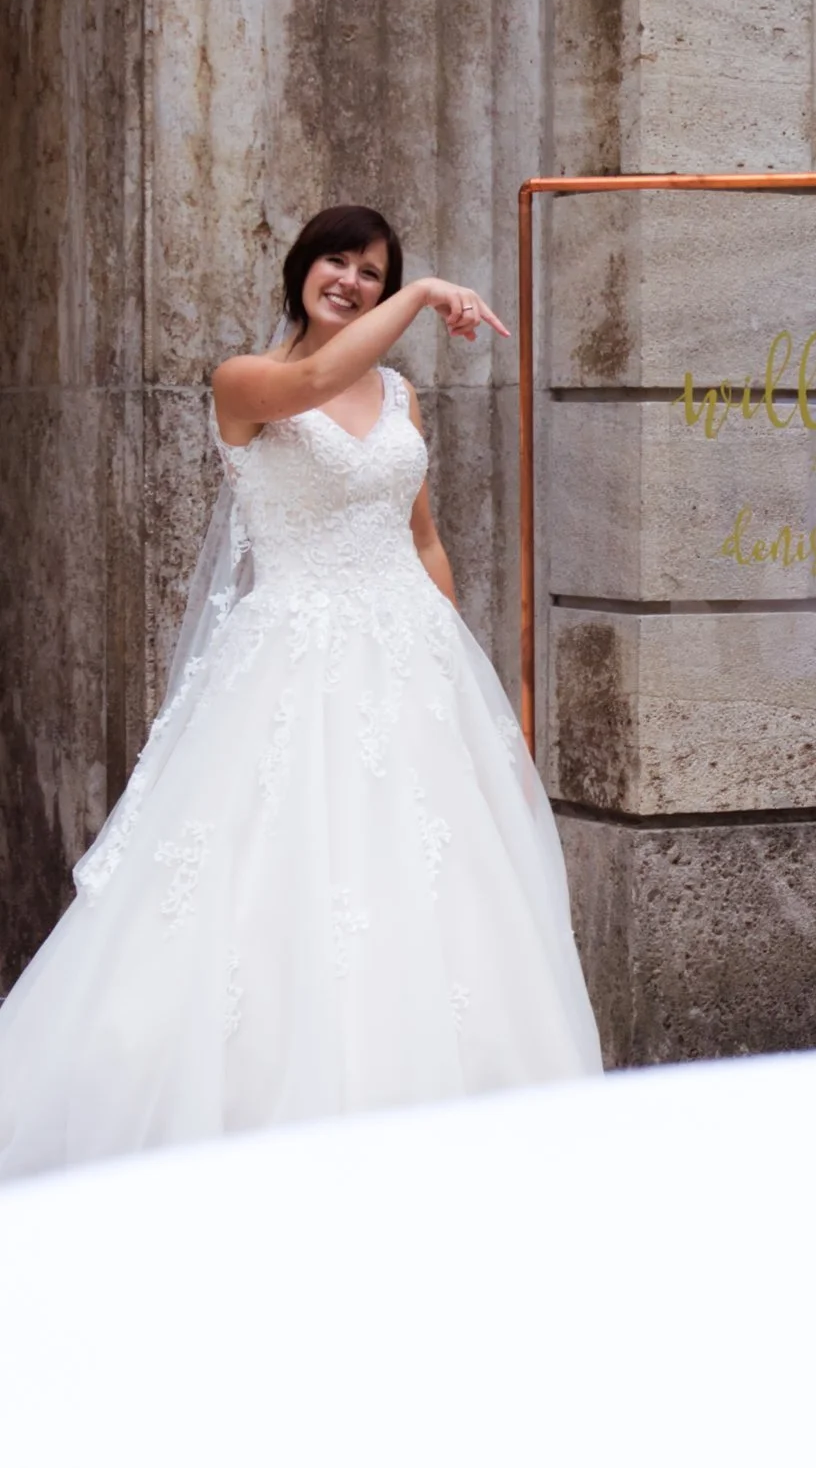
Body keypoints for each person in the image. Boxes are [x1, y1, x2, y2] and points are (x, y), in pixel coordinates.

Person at [0, 207, 601, 1178]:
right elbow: (318, 377)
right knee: (279, 886)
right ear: (300, 269)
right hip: (294, 663)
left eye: (375, 271)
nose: (355, 281)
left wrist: (459, 672)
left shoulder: (403, 395)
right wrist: (423, 290)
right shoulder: (247, 382)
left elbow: (421, 537)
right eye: (340, 261)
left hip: (411, 659)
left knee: (442, 887)